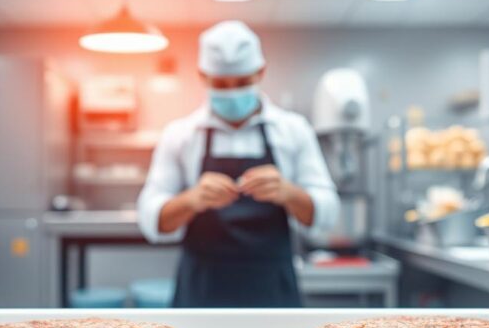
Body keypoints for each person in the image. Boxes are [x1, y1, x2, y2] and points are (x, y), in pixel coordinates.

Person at [137, 20, 339, 307]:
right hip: (201, 290)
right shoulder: (179, 134)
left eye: (242, 83)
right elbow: (150, 219)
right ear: (202, 76)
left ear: (261, 72)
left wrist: (288, 192)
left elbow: (327, 215)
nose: (232, 93)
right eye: (221, 84)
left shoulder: (294, 130)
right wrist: (191, 199)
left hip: (273, 289)